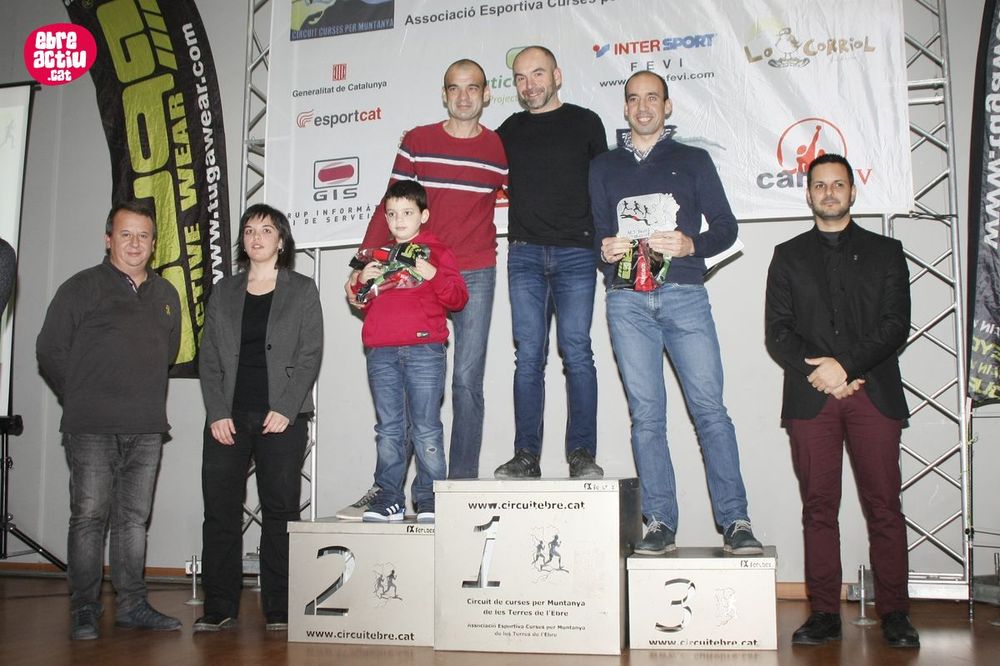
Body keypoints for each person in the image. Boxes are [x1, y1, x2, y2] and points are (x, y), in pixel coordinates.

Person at [591, 71, 763, 556]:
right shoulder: (602, 166)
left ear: (667, 107)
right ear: (625, 108)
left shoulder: (693, 160)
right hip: (626, 300)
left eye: (653, 98)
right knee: (647, 416)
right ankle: (660, 522)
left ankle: (736, 521)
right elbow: (596, 234)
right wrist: (604, 250)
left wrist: (692, 244)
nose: (643, 107)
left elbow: (726, 228)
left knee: (710, 411)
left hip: (685, 294)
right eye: (634, 99)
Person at [340, 59, 506, 518]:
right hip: (412, 270)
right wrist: (362, 263)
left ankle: (457, 488)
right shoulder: (417, 140)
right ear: (444, 93)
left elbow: (527, 194)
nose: (464, 96)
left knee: (466, 381)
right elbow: (391, 202)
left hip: (473, 269)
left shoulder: (498, 147)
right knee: (406, 388)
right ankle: (393, 491)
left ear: (487, 93)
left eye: (472, 88)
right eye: (454, 88)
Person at [765, 153, 919, 648]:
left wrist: (845, 368)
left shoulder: (887, 252)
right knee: (818, 508)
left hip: (874, 394)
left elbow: (895, 326)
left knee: (884, 507)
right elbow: (778, 333)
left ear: (853, 192)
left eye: (837, 184)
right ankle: (824, 613)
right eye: (819, 185)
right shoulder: (787, 256)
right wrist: (825, 375)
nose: (829, 192)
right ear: (808, 194)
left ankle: (896, 613)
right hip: (812, 399)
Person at [36, 201, 182, 640]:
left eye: (143, 236)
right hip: (91, 427)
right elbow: (49, 350)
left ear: (154, 244)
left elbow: (168, 353)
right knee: (89, 517)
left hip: (147, 427)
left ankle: (132, 605)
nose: (135, 243)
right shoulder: (81, 287)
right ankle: (84, 607)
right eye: (125, 234)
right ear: (108, 239)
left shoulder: (166, 295)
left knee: (133, 520)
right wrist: (81, 396)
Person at [195, 203, 323, 633]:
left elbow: (310, 355)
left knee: (281, 511)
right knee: (220, 511)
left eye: (266, 230)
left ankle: (280, 607)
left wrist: (286, 408)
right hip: (227, 419)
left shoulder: (302, 289)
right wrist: (216, 411)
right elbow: (209, 357)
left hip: (281, 418)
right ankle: (219, 605)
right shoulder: (224, 291)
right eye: (249, 230)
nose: (256, 237)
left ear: (281, 240)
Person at [493, 45, 607, 480]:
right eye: (521, 78)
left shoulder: (586, 122)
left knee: (578, 352)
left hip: (577, 254)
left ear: (557, 76)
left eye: (537, 74)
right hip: (523, 254)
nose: (529, 85)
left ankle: (582, 454)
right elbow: (473, 161)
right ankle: (526, 456)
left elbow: (606, 187)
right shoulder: (508, 130)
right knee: (528, 358)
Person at [349, 180, 468, 522]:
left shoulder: (438, 252)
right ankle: (389, 498)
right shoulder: (377, 255)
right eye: (392, 214)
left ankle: (430, 499)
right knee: (388, 429)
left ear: (423, 216)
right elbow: (360, 302)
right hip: (381, 351)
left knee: (426, 427)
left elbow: (458, 298)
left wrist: (431, 273)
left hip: (424, 350)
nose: (399, 220)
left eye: (407, 213)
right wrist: (361, 283)